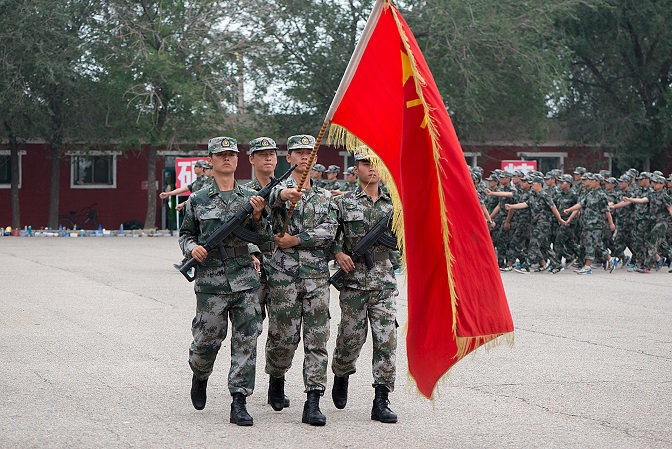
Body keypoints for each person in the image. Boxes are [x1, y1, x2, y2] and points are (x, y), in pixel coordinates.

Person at [179, 136, 271, 426]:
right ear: (211, 160)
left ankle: (239, 400)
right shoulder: (198, 199)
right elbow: (186, 234)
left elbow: (265, 239)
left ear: (238, 159)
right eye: (221, 155)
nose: (227, 159)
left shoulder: (251, 197)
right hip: (211, 283)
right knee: (206, 341)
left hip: (244, 280)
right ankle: (200, 374)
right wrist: (192, 249)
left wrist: (258, 215)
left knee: (246, 340)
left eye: (231, 154)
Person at [265, 134, 338, 426]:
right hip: (283, 277)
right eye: (298, 152)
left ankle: (313, 401)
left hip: (316, 277)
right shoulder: (277, 189)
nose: (305, 156)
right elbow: (269, 200)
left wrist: (296, 239)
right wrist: (285, 195)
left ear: (316, 158)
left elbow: (329, 230)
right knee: (283, 338)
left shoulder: (325, 197)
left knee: (317, 339)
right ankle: (277, 376)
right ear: (289, 158)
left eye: (309, 152)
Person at [330, 154, 399, 424]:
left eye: (376, 163)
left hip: (384, 282)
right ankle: (341, 372)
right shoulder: (343, 203)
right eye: (366, 164)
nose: (372, 168)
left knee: (386, 341)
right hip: (354, 282)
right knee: (350, 339)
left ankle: (381, 399)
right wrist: (338, 253)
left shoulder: (394, 204)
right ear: (356, 168)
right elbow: (330, 236)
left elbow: (406, 238)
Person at [243, 137, 291, 409]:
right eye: (262, 154)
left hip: (284, 268)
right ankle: (242, 388)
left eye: (272, 154)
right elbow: (237, 230)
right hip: (254, 269)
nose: (268, 158)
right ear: (251, 159)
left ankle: (277, 384)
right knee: (249, 329)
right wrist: (251, 249)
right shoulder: (242, 192)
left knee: (282, 331)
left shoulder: (288, 189)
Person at [564, 173, 617, 274]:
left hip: (596, 224)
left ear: (597, 182)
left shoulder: (601, 195)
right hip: (587, 224)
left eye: (592, 180)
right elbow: (581, 204)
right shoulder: (590, 193)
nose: (590, 182)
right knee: (597, 245)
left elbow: (606, 211)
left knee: (590, 245)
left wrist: (611, 223)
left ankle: (587, 267)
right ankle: (611, 259)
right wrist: (569, 209)